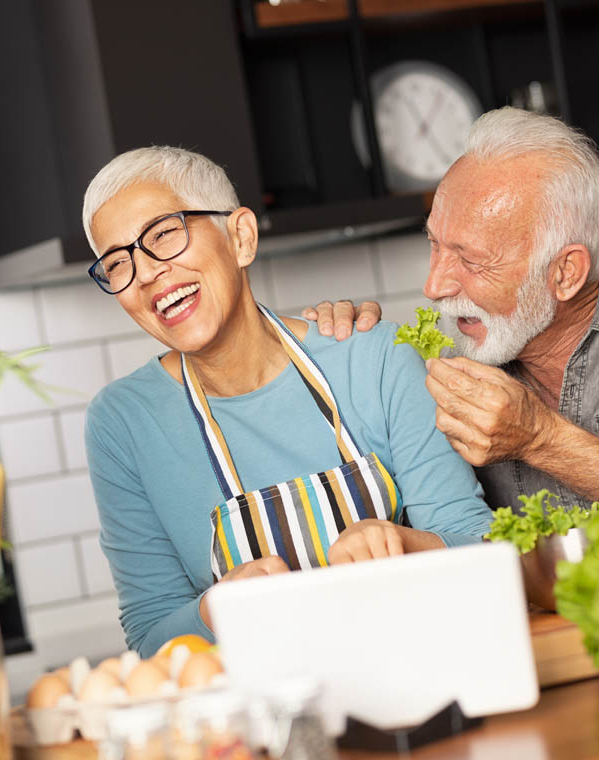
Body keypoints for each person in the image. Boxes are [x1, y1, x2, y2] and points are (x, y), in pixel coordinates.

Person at [81, 146, 493, 657]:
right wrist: (219, 607)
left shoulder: (375, 357)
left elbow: (480, 543)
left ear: (241, 237)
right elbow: (151, 633)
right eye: (117, 263)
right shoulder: (122, 423)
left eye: (164, 234)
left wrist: (402, 545)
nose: (145, 274)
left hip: (429, 667)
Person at [305, 107, 599, 533]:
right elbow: (427, 532)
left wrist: (542, 439)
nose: (435, 287)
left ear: (565, 272)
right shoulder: (451, 359)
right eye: (435, 244)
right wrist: (347, 363)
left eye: (471, 261)